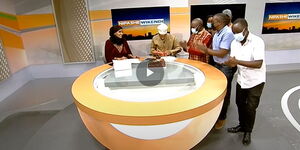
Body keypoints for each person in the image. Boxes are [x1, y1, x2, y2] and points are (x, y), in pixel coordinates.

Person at [224, 18, 266, 145]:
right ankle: (242, 126)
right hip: (242, 79)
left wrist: (236, 62)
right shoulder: (234, 43)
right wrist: (229, 63)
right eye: (234, 33)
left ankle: (248, 131)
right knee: (240, 104)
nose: (236, 36)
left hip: (255, 81)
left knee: (251, 107)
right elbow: (233, 60)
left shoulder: (257, 42)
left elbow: (258, 63)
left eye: (238, 32)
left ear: (246, 29)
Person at [195, 13, 235, 129]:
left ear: (220, 22)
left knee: (225, 92)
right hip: (217, 64)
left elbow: (223, 52)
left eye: (214, 20)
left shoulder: (227, 33)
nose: (212, 21)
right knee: (215, 90)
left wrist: (205, 50)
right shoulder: (217, 32)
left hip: (225, 66)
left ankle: (222, 117)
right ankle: (215, 113)